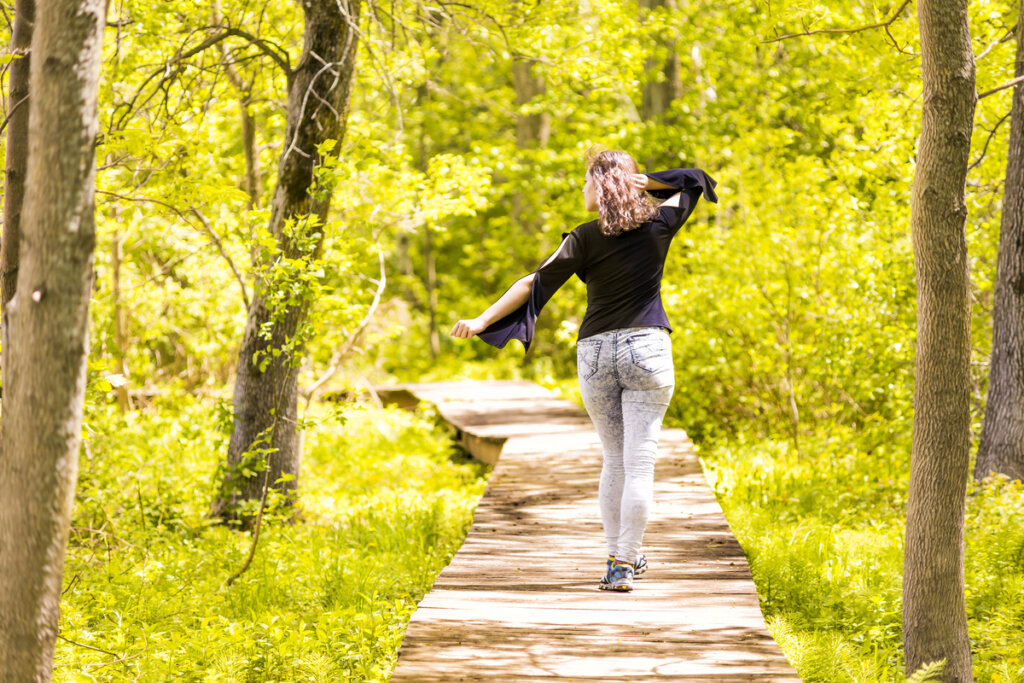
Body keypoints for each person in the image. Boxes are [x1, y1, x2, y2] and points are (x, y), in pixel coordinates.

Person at [450, 149, 718, 592]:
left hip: (595, 353)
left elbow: (531, 284)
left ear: (600, 186)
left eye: (585, 181)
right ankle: (625, 561)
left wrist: (481, 321)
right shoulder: (660, 225)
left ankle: (617, 559)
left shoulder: (584, 237)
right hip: (647, 349)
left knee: (615, 461)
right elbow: (696, 180)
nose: (581, 188)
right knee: (640, 464)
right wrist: (647, 181)